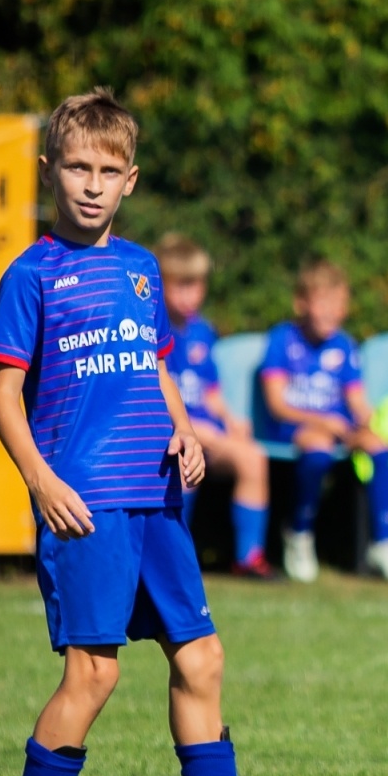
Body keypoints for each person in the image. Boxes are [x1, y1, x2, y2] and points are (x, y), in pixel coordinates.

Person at [0, 88, 303, 776]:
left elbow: (154, 365)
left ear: (131, 181)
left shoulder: (140, 269)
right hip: (85, 506)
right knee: (94, 671)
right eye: (78, 167)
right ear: (51, 170)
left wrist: (185, 428)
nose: (92, 182)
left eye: (109, 169)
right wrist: (40, 480)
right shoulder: (33, 275)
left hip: (157, 500)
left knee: (202, 658)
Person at [257, 258, 388, 586]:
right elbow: (277, 405)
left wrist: (369, 421)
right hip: (293, 428)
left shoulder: (344, 344)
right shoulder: (281, 339)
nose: (332, 311)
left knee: (378, 447)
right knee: (318, 446)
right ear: (301, 302)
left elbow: (356, 400)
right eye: (323, 302)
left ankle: (385, 542)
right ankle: (298, 534)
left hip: (337, 428)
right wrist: (321, 421)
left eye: (339, 304)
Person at [155, 233, 274, 578]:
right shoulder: (151, 328)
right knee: (185, 464)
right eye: (181, 286)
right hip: (173, 433)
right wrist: (189, 427)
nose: (189, 296)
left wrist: (232, 419)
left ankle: (248, 558)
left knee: (254, 458)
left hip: (209, 431)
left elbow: (211, 393)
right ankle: (173, 558)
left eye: (196, 286)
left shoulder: (203, 331)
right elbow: (154, 391)